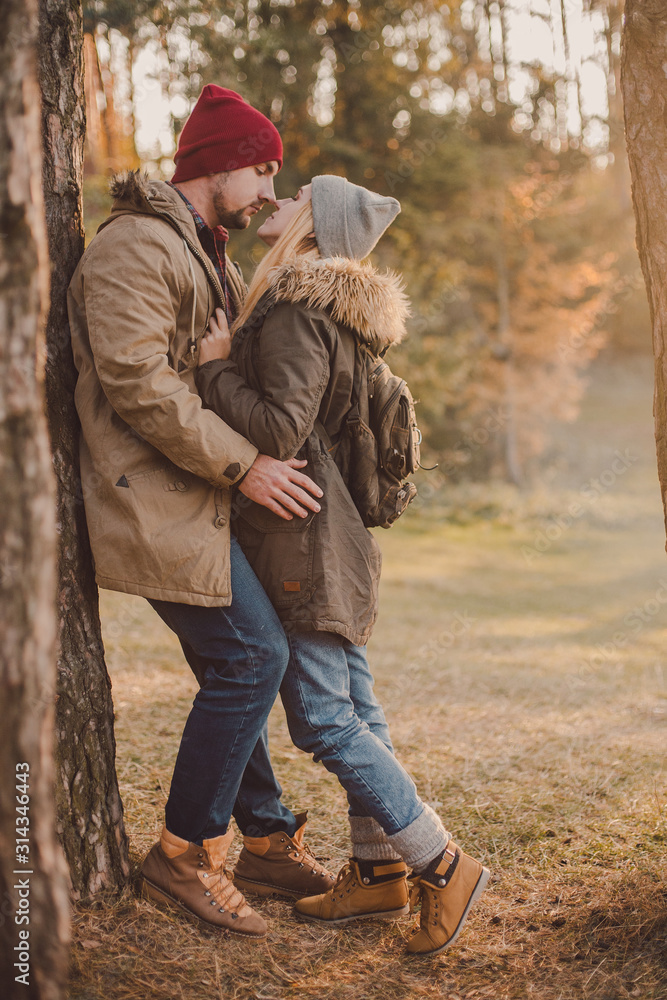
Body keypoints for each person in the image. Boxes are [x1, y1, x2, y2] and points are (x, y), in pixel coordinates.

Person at [68, 86, 338, 942]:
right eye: (262, 171)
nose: (268, 192)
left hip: (200, 498)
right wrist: (246, 465)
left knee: (238, 661)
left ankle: (265, 839)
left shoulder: (198, 247)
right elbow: (137, 381)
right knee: (252, 658)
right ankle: (184, 855)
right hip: (155, 498)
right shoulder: (134, 245)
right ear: (221, 164)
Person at [195, 176, 490, 956]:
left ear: (315, 225)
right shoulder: (336, 315)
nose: (282, 197)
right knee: (357, 710)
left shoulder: (294, 310)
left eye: (298, 194)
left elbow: (280, 430)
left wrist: (216, 369)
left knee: (325, 720)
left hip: (303, 545)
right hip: (336, 543)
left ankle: (440, 863)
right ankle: (376, 871)